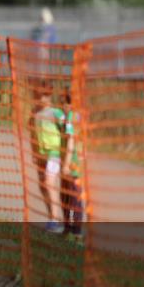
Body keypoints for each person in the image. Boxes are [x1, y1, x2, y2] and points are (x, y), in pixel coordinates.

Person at [33, 85, 66, 233]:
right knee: (42, 186)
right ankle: (51, 216)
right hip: (41, 154)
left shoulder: (56, 113)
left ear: (49, 96)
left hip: (54, 153)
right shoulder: (35, 114)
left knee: (49, 182)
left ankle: (56, 219)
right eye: (38, 96)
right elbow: (32, 135)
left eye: (44, 96)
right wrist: (34, 153)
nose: (41, 99)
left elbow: (67, 130)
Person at [60, 91, 83, 236]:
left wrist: (66, 163)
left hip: (73, 162)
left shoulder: (70, 116)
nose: (62, 107)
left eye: (63, 103)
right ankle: (73, 227)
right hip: (81, 161)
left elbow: (71, 142)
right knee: (77, 196)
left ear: (69, 103)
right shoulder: (81, 115)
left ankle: (73, 229)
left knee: (72, 197)